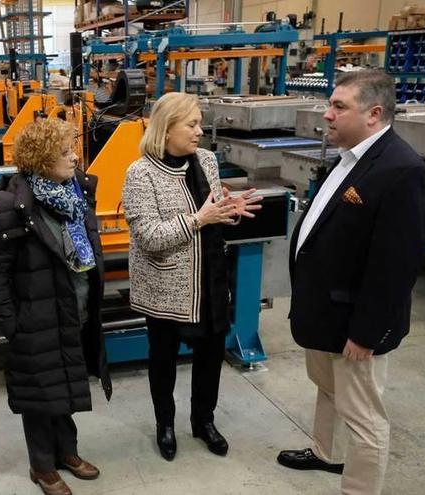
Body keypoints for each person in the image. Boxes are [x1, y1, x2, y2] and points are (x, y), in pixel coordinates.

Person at [277, 70, 425, 495]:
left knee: (365, 418)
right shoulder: (349, 158)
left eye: (339, 107)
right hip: (325, 311)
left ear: (374, 114)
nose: (327, 115)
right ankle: (327, 452)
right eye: (330, 104)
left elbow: (397, 266)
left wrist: (366, 333)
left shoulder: (402, 171)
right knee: (328, 391)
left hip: (355, 325)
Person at [121, 92, 261, 462]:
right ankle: (165, 425)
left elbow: (212, 213)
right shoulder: (141, 174)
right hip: (167, 289)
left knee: (210, 359)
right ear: (166, 130)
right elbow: (149, 237)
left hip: (211, 282)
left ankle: (204, 421)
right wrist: (200, 220)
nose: (201, 131)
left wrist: (229, 211)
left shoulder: (207, 161)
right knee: (163, 362)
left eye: (201, 122)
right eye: (192, 124)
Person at [0, 118, 112, 495]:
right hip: (35, 320)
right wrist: (14, 325)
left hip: (76, 312)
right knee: (40, 396)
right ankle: (42, 467)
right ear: (41, 158)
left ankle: (66, 452)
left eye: (73, 150)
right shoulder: (16, 205)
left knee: (65, 385)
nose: (74, 158)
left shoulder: (76, 194)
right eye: (65, 151)